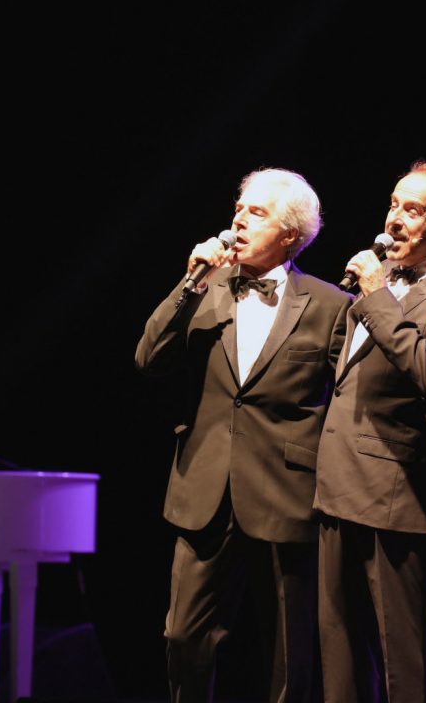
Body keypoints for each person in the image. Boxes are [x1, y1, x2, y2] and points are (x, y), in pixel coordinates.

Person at [135, 167, 352, 703]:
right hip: (205, 489)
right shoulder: (206, 288)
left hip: (287, 490)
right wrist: (190, 281)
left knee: (288, 650)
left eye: (256, 212)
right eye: (238, 209)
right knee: (183, 636)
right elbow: (149, 358)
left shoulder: (330, 305)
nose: (239, 219)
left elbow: (351, 396)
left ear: (290, 233)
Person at [313, 161, 426, 703]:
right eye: (394, 204)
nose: (394, 219)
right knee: (340, 652)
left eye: (413, 210)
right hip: (337, 486)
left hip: (396, 496)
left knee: (405, 662)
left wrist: (376, 299)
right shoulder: (382, 280)